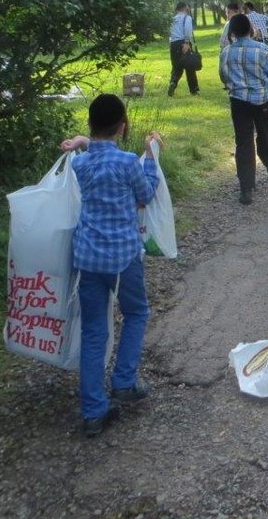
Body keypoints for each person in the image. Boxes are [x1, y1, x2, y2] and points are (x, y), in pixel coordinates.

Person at [60, 95, 163, 438]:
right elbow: (145, 194)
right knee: (136, 313)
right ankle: (123, 382)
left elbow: (96, 152)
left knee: (93, 330)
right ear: (123, 126)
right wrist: (150, 158)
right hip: (123, 258)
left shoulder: (80, 164)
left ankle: (93, 411)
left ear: (90, 125)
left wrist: (81, 142)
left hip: (87, 258)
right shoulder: (127, 163)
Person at [219, 13, 268, 205]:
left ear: (232, 31)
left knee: (243, 142)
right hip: (262, 100)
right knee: (265, 134)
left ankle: (246, 188)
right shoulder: (262, 50)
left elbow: (223, 77)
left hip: (238, 101)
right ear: (250, 29)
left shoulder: (226, 52)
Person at [167, 2, 199, 96]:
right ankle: (194, 89)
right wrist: (186, 42)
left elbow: (169, 32)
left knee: (176, 66)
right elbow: (188, 30)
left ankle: (173, 82)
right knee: (189, 66)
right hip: (183, 43)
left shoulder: (172, 19)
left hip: (173, 44)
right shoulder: (187, 17)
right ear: (185, 8)